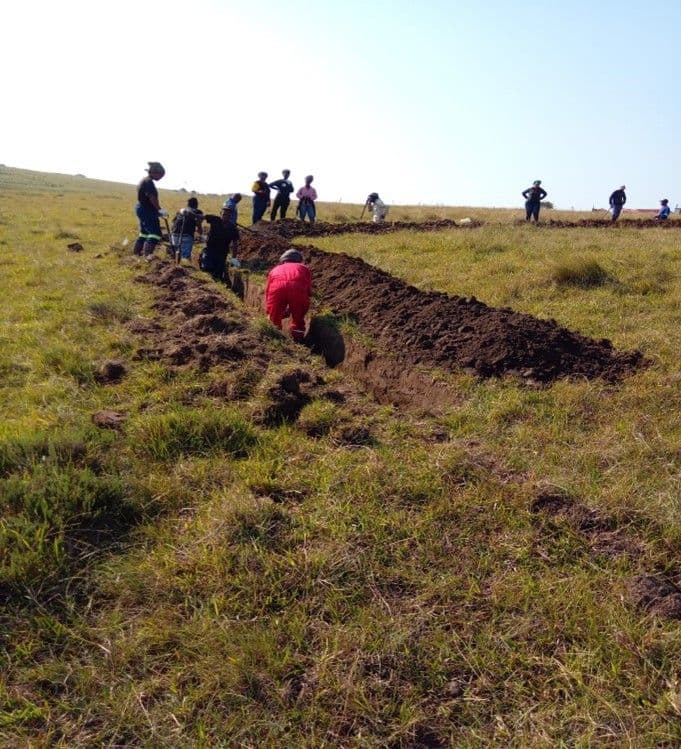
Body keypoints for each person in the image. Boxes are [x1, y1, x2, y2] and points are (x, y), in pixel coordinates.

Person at [265, 249, 312, 342]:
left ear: (283, 260)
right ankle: (298, 340)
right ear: (299, 260)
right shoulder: (303, 268)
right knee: (298, 318)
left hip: (277, 289)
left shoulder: (275, 269)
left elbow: (268, 290)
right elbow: (308, 288)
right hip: (298, 290)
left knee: (274, 317)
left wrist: (269, 310)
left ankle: (274, 337)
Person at [133, 162, 166, 257]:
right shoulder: (149, 183)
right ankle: (147, 257)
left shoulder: (144, 180)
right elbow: (152, 198)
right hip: (147, 210)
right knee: (155, 234)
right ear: (155, 173)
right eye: (161, 175)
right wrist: (160, 210)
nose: (161, 178)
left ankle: (136, 255)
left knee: (144, 233)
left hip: (141, 208)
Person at [199, 214, 238, 285]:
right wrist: (200, 231)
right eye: (224, 214)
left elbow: (235, 243)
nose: (225, 216)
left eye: (228, 215)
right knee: (207, 267)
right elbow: (201, 217)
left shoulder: (232, 228)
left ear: (230, 216)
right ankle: (207, 283)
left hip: (222, 253)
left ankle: (216, 284)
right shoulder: (215, 219)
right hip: (210, 249)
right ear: (220, 214)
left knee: (218, 272)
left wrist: (234, 258)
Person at [170, 197, 203, 263]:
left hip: (175, 234)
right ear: (196, 205)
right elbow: (198, 224)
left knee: (175, 254)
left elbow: (173, 222)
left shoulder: (181, 210)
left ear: (187, 204)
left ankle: (174, 267)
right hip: (187, 235)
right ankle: (181, 270)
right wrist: (200, 232)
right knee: (185, 258)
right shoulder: (198, 212)